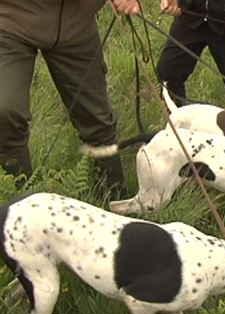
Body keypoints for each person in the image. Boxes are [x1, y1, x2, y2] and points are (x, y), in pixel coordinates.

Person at [0, 0, 179, 193]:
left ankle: (112, 197)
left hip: (77, 25)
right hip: (13, 21)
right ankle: (19, 199)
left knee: (96, 120)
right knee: (6, 111)